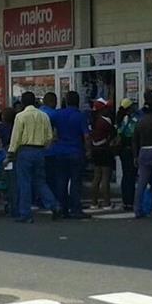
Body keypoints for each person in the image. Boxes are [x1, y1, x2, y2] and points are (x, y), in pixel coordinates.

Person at [8, 92, 61, 223]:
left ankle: (25, 214)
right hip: (39, 151)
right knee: (40, 182)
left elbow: (16, 137)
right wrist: (44, 147)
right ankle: (54, 205)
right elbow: (50, 136)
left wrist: (11, 152)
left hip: (24, 151)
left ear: (22, 103)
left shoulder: (20, 116)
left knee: (24, 182)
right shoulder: (44, 116)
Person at [51, 91, 91, 219]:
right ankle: (75, 209)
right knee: (75, 182)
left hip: (60, 151)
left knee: (61, 181)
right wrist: (88, 150)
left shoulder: (57, 114)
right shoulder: (80, 116)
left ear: (66, 101)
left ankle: (62, 208)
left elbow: (52, 131)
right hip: (75, 151)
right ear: (77, 102)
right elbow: (86, 135)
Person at [90, 98, 115, 209]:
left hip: (95, 149)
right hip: (105, 149)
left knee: (96, 177)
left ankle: (94, 202)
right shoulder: (106, 120)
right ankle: (106, 202)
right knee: (105, 177)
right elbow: (113, 134)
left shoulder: (92, 121)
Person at [116, 99, 138, 211]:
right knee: (131, 176)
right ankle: (129, 201)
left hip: (123, 150)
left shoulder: (120, 120)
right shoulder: (131, 120)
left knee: (126, 175)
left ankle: (126, 201)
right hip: (130, 149)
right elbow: (133, 135)